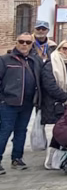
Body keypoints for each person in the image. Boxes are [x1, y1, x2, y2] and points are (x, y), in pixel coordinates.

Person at [0, 32, 42, 173]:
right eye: (21, 41)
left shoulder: (35, 60)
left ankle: (17, 158)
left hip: (27, 103)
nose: (24, 44)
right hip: (8, 103)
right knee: (4, 131)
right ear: (16, 42)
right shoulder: (5, 60)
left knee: (21, 131)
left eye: (28, 42)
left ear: (32, 45)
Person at [40, 41, 67, 168]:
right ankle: (50, 159)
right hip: (54, 103)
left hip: (63, 104)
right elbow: (49, 84)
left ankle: (56, 159)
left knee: (61, 131)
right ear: (59, 49)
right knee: (58, 132)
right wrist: (64, 98)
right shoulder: (51, 63)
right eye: (64, 48)